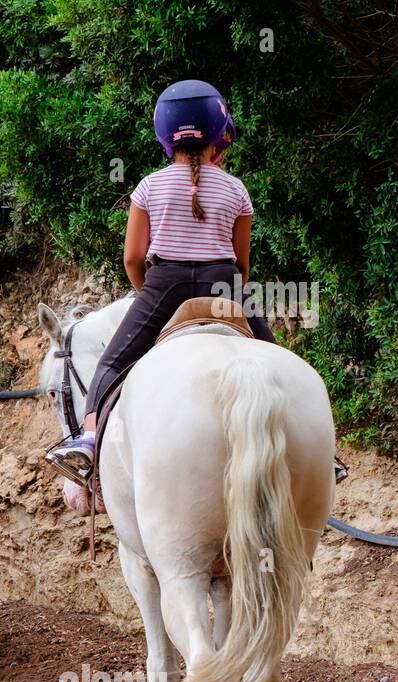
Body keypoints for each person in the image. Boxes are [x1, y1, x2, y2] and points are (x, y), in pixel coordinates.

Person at [45, 80, 276, 484]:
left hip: (164, 283)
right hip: (224, 286)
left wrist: (146, 294)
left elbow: (133, 257)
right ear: (217, 135)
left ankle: (89, 439)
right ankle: (320, 452)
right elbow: (242, 262)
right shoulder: (237, 189)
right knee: (275, 360)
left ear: (166, 136)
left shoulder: (149, 186)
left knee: (111, 363)